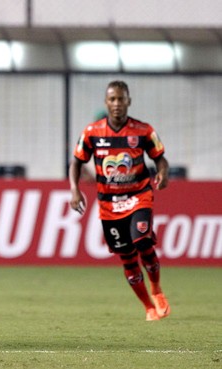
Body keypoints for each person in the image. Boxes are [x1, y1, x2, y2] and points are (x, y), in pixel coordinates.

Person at [69, 80, 170, 321]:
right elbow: (76, 162)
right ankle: (148, 307)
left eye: (121, 99)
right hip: (109, 205)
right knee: (126, 256)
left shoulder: (143, 130)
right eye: (112, 99)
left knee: (142, 240)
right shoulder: (92, 132)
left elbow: (160, 158)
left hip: (139, 196)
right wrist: (74, 190)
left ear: (128, 101)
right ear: (106, 102)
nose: (116, 104)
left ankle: (156, 289)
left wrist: (163, 172)